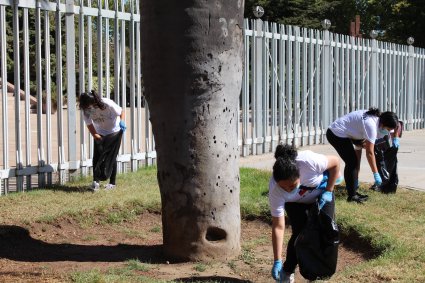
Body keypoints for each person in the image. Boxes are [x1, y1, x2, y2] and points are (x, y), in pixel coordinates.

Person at [269, 144, 342, 283]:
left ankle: (320, 274)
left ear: (299, 174)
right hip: (295, 203)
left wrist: (328, 190)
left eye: (291, 185)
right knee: (300, 234)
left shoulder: (309, 162)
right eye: (283, 187)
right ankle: (287, 270)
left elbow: (336, 163)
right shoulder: (275, 190)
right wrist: (277, 259)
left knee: (326, 230)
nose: (288, 190)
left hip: (322, 193)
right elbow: (278, 226)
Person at [326, 108, 399, 203]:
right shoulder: (371, 126)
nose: (389, 132)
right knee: (351, 163)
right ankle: (352, 196)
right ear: (382, 125)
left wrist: (356, 178)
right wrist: (375, 173)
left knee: (353, 161)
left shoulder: (381, 119)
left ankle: (353, 192)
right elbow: (369, 152)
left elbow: (358, 151)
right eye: (388, 129)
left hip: (349, 133)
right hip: (336, 134)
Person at [78, 90, 126, 191]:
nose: (87, 109)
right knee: (97, 156)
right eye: (85, 106)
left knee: (111, 157)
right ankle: (96, 182)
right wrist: (95, 134)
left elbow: (121, 112)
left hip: (114, 131)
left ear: (94, 102)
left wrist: (121, 121)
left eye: (88, 106)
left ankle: (112, 183)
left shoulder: (107, 103)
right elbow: (89, 124)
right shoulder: (87, 109)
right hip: (100, 132)